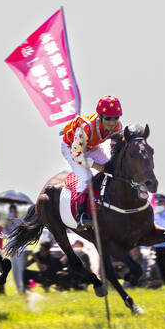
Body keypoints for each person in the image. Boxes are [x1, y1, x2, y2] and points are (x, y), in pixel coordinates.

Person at [61, 96, 124, 231]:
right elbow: (76, 155)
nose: (112, 123)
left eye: (116, 118)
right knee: (86, 177)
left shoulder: (118, 127)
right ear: (100, 116)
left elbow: (115, 150)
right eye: (108, 118)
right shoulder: (87, 128)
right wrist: (98, 166)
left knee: (112, 171)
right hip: (72, 149)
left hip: (92, 147)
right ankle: (81, 215)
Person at [5, 204, 26, 293]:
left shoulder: (21, 221)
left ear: (16, 212)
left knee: (21, 270)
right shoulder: (8, 222)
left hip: (19, 250)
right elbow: (4, 234)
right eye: (10, 211)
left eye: (13, 211)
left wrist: (14, 225)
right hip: (11, 250)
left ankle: (23, 288)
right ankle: (18, 289)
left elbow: (21, 235)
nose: (12, 213)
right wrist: (6, 225)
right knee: (14, 271)